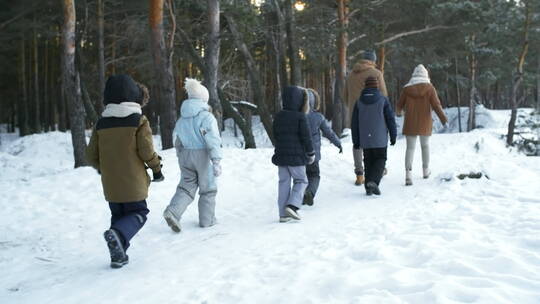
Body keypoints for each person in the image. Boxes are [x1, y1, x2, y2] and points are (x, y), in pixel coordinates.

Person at [86, 74, 164, 268]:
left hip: (111, 184)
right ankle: (118, 236)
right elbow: (146, 151)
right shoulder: (138, 120)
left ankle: (118, 255)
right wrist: (156, 169)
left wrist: (102, 168)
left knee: (119, 216)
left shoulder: (101, 123)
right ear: (134, 96)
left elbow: (90, 155)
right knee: (139, 212)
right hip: (133, 181)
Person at [163, 78, 222, 233]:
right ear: (204, 100)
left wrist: (180, 156)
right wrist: (216, 161)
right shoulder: (207, 118)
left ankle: (173, 212)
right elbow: (213, 140)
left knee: (186, 187)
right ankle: (207, 221)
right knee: (207, 188)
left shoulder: (182, 119)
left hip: (185, 156)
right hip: (202, 156)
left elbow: (178, 141)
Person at [396, 64, 448, 186]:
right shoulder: (430, 88)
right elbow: (436, 105)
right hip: (425, 122)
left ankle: (408, 175)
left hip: (410, 122)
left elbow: (399, 105)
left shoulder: (406, 89)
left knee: (410, 148)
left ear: (413, 75)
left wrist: (399, 113)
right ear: (426, 75)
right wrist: (444, 119)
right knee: (425, 146)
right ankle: (425, 171)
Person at [343, 50, 388, 186]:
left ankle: (359, 174)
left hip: (355, 114)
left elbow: (345, 97)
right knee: (375, 142)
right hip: (374, 116)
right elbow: (384, 95)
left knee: (357, 143)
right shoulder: (376, 74)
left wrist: (353, 107)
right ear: (373, 61)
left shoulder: (350, 75)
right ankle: (377, 169)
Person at [272, 86, 315, 222]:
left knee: (283, 182)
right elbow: (306, 137)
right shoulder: (300, 117)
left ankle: (282, 214)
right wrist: (311, 152)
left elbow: (276, 136)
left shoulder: (278, 116)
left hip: (281, 156)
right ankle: (292, 206)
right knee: (301, 180)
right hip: (296, 158)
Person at [351, 76, 396, 196]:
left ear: (365, 86)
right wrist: (393, 135)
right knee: (380, 159)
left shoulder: (359, 102)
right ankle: (373, 182)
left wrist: (356, 141)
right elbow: (390, 119)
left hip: (365, 139)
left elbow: (354, 123)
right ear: (377, 86)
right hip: (380, 138)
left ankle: (368, 187)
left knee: (368, 161)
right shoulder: (383, 100)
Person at [303, 88, 342, 206]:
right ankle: (310, 192)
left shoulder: (296, 116)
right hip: (313, 154)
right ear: (314, 102)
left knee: (301, 177)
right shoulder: (318, 117)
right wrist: (338, 143)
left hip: (298, 153)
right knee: (314, 175)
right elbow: (328, 133)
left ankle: (300, 194)